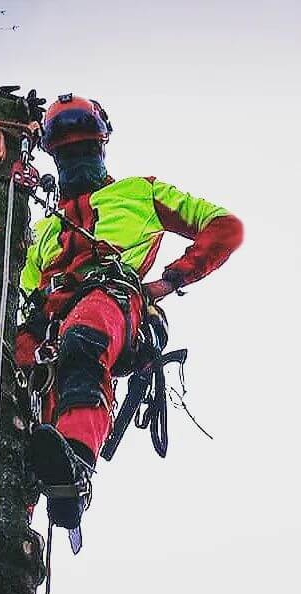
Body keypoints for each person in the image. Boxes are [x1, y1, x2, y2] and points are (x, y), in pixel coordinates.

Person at [15, 94, 243, 552]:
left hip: (114, 301)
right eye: (66, 152)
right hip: (49, 324)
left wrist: (170, 280)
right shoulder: (42, 231)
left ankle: (76, 468)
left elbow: (224, 226)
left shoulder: (142, 191)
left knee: (84, 339)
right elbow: (27, 292)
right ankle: (5, 514)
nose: (76, 159)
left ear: (101, 145)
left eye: (82, 148)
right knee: (10, 390)